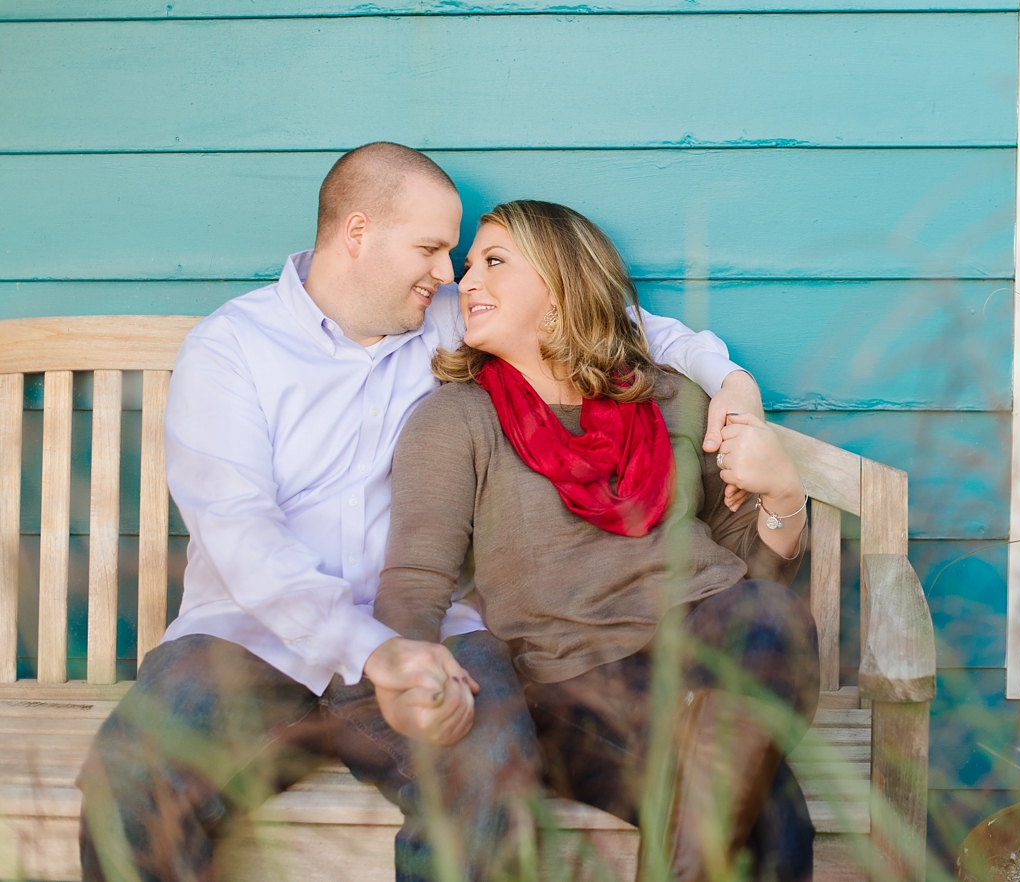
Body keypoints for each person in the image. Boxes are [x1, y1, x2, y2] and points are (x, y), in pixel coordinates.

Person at [76, 143, 767, 882]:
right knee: (125, 787)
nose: (449, 274)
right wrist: (370, 650)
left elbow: (601, 312)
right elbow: (240, 534)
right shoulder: (231, 349)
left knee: (491, 783)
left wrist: (727, 375)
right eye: (432, 250)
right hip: (251, 638)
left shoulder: (442, 322)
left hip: (433, 631)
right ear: (358, 234)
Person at [372, 200, 821, 882]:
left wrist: (784, 497)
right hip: (569, 688)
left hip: (701, 663)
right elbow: (414, 579)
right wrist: (412, 679)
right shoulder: (455, 418)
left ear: (560, 291)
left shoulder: (672, 399)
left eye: (493, 262)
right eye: (466, 266)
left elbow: (756, 579)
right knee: (770, 820)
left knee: (771, 616)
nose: (463, 282)